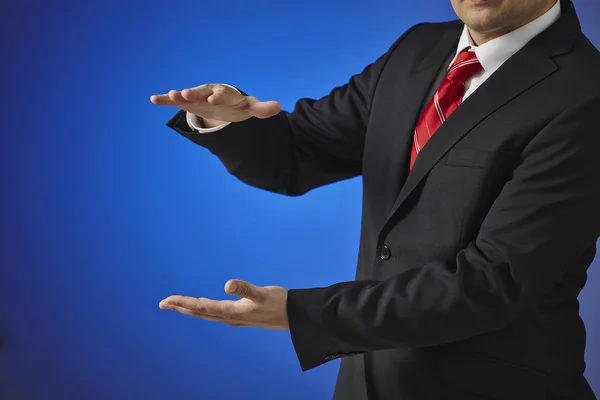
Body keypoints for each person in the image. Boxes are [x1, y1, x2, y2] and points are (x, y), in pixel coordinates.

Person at [150, 0, 600, 398]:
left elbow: (492, 281)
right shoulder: (418, 49)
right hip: (367, 383)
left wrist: (302, 314)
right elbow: (297, 153)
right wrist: (228, 120)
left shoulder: (586, 96)